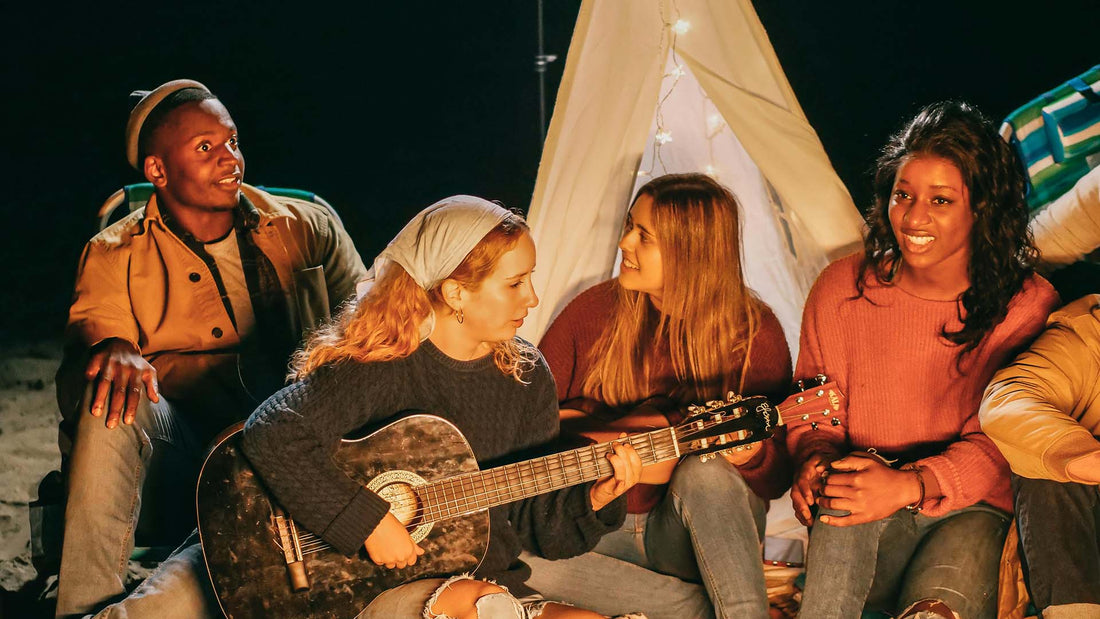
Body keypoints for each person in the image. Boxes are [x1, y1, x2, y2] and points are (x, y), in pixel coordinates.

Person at [241, 196, 648, 619]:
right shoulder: (381, 363)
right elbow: (273, 432)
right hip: (373, 587)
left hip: (485, 586)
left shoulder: (526, 376)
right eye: (514, 283)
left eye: (530, 279)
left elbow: (532, 526)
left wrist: (596, 497)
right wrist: (369, 523)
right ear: (456, 292)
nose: (533, 298)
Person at [53, 79, 367, 618]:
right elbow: (97, 330)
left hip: (296, 451)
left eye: (233, 142)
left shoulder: (306, 229)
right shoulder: (115, 253)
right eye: (206, 149)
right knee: (112, 394)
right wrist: (115, 346)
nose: (231, 160)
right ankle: (83, 607)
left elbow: (370, 329)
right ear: (157, 171)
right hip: (186, 457)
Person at [786, 101, 1060, 619]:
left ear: (981, 208)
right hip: (859, 502)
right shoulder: (840, 289)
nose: (913, 217)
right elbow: (811, 409)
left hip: (968, 511)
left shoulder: (1025, 305)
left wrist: (908, 485)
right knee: (845, 489)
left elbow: (1007, 443)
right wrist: (812, 460)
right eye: (903, 195)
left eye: (941, 200)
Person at [523, 173, 794, 619]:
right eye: (630, 225)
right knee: (510, 561)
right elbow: (534, 426)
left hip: (688, 538)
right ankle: (702, 611)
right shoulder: (591, 312)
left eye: (643, 236)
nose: (624, 242)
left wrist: (750, 457)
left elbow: (777, 478)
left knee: (705, 473)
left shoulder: (754, 332)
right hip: (597, 531)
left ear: (691, 251)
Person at [980, 294, 1100, 619]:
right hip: (1079, 554)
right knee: (1047, 461)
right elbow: (1009, 398)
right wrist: (1082, 457)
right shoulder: (1088, 338)